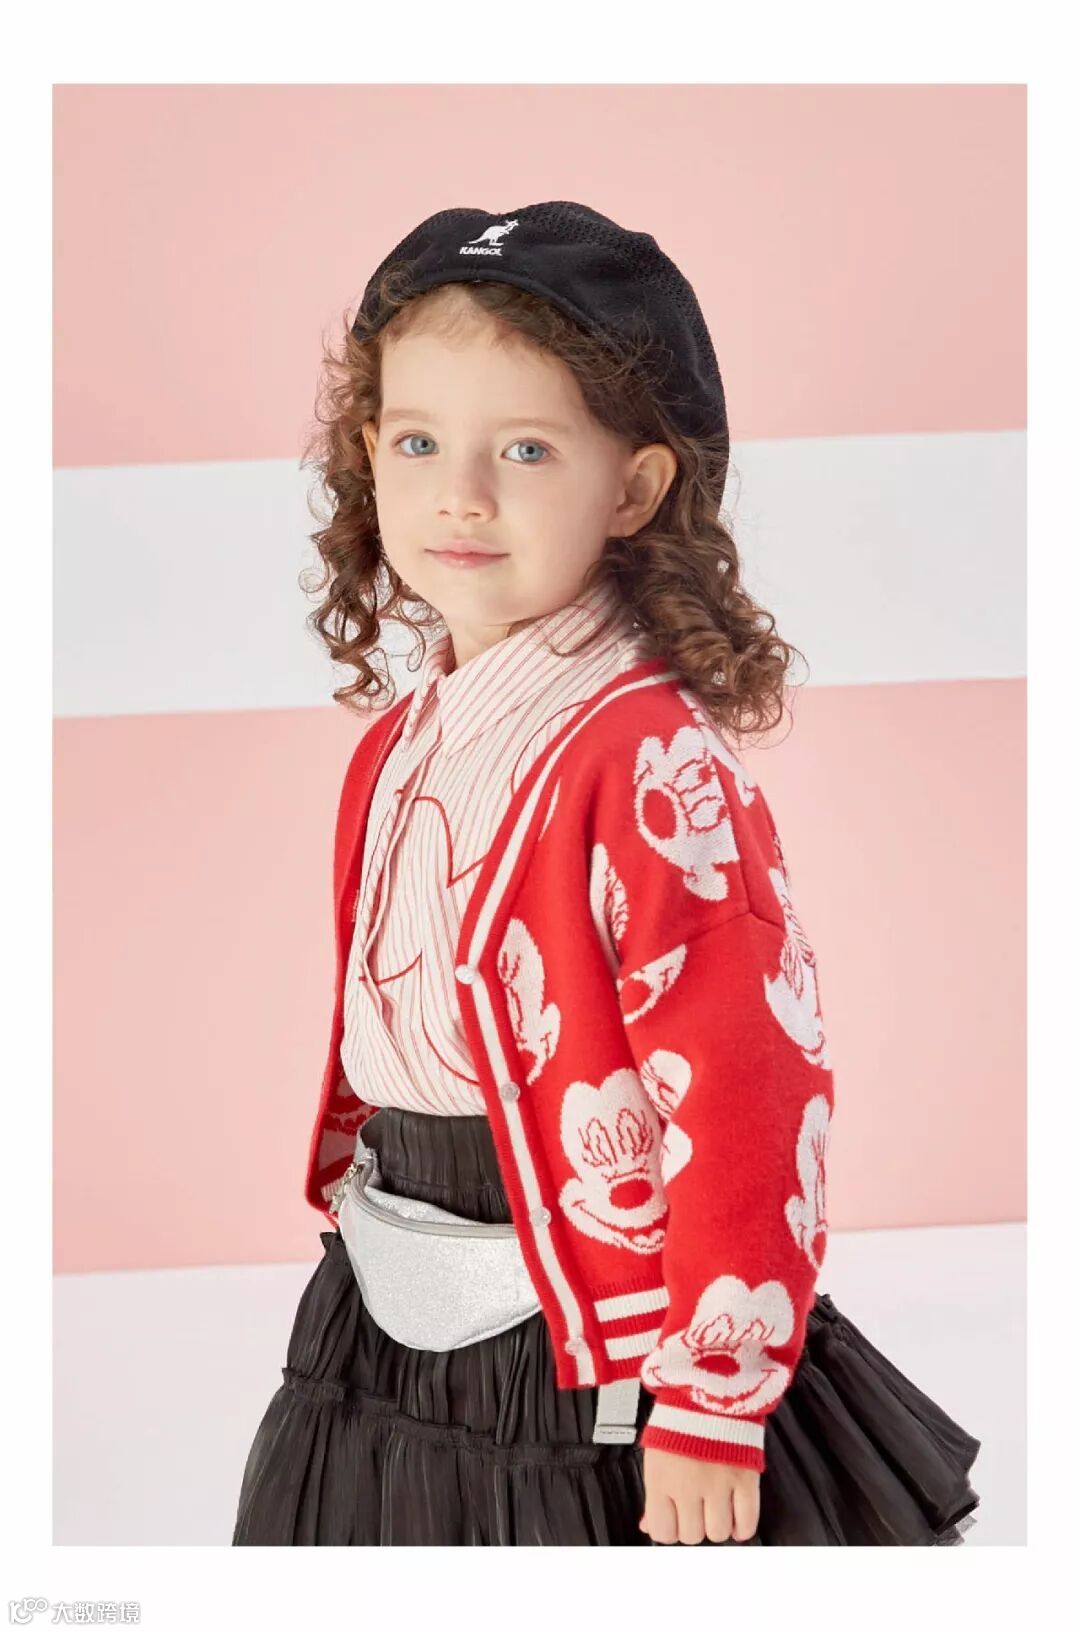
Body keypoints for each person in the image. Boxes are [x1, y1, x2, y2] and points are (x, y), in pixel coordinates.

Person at [231, 201, 981, 1547]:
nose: (461, 494)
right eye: (418, 442)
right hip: (398, 1263)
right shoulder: (398, 744)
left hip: (593, 1305)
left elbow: (748, 1089)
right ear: (369, 456)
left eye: (526, 448)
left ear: (632, 489)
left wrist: (710, 1405)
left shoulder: (648, 765)